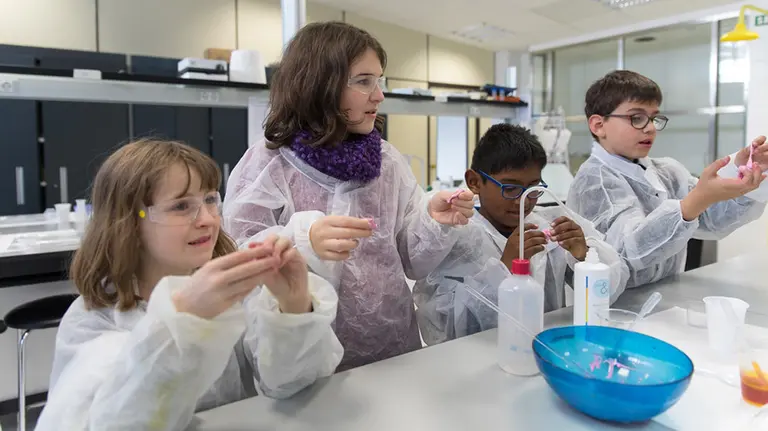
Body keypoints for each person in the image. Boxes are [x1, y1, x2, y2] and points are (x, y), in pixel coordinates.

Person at [36, 139, 343, 430]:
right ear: (129, 221)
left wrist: (294, 308)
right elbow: (117, 421)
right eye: (181, 206)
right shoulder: (95, 321)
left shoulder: (234, 295)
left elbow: (291, 385)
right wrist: (182, 318)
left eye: (210, 199)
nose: (207, 219)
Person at [222, 21, 475, 371]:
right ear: (319, 85)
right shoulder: (268, 164)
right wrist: (302, 239)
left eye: (379, 81)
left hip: (394, 351)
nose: (379, 95)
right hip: (306, 364)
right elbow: (240, 258)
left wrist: (433, 220)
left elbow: (410, 260)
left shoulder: (387, 161)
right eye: (363, 81)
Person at [412, 124, 628, 345]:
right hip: (479, 355)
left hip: (548, 346)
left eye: (532, 189)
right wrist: (505, 268)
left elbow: (610, 289)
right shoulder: (455, 239)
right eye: (510, 188)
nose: (522, 201)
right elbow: (445, 328)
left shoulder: (548, 224)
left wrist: (584, 256)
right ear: (475, 182)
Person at [567, 70, 768, 288]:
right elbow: (629, 253)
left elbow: (712, 220)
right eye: (636, 118)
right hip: (612, 303)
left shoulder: (667, 172)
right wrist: (697, 199)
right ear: (598, 125)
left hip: (666, 295)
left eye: (654, 118)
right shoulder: (593, 183)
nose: (650, 128)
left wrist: (744, 169)